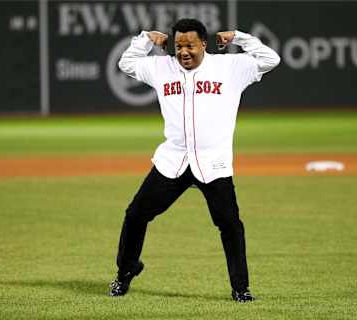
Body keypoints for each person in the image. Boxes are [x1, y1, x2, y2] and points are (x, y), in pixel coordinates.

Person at [109, 18, 280, 302]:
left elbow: (270, 58)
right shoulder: (161, 68)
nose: (184, 51)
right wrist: (147, 38)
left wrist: (238, 36)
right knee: (136, 214)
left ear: (204, 43)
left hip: (213, 163)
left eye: (190, 45)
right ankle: (125, 272)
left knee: (229, 224)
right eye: (178, 46)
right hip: (173, 161)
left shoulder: (230, 68)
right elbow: (126, 63)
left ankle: (241, 288)